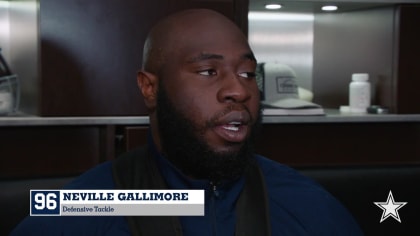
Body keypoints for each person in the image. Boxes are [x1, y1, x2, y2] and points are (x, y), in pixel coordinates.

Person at [11, 9, 363, 235]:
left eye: (247, 73)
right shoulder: (83, 205)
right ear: (149, 88)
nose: (238, 90)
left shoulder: (309, 206)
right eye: (209, 71)